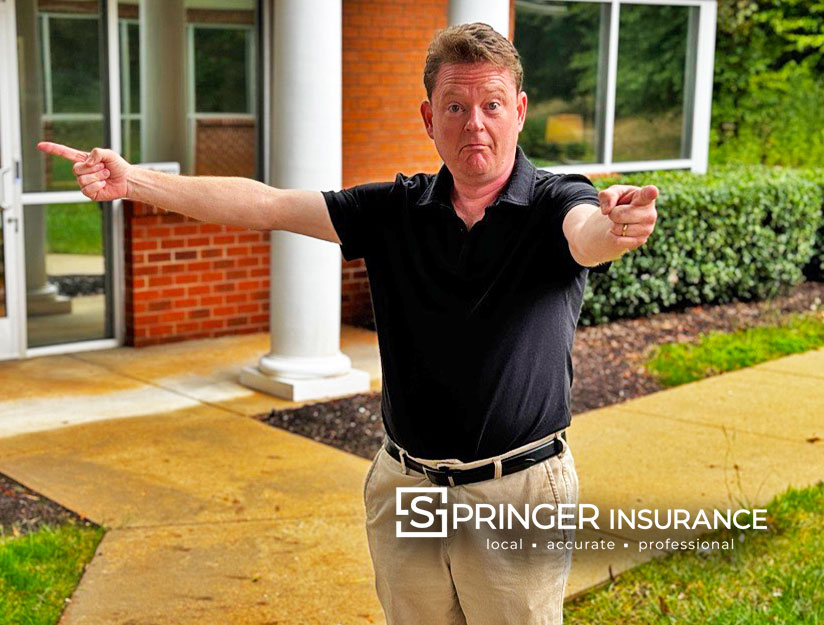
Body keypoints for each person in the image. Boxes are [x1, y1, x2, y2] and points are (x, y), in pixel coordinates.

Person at [38, 21, 658, 625]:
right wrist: (135, 181)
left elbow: (590, 235)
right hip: (409, 487)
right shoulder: (394, 210)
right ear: (428, 119)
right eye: (456, 106)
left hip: (516, 490)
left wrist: (619, 225)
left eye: (492, 105)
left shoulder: (556, 202)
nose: (476, 123)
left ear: (519, 111)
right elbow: (267, 204)